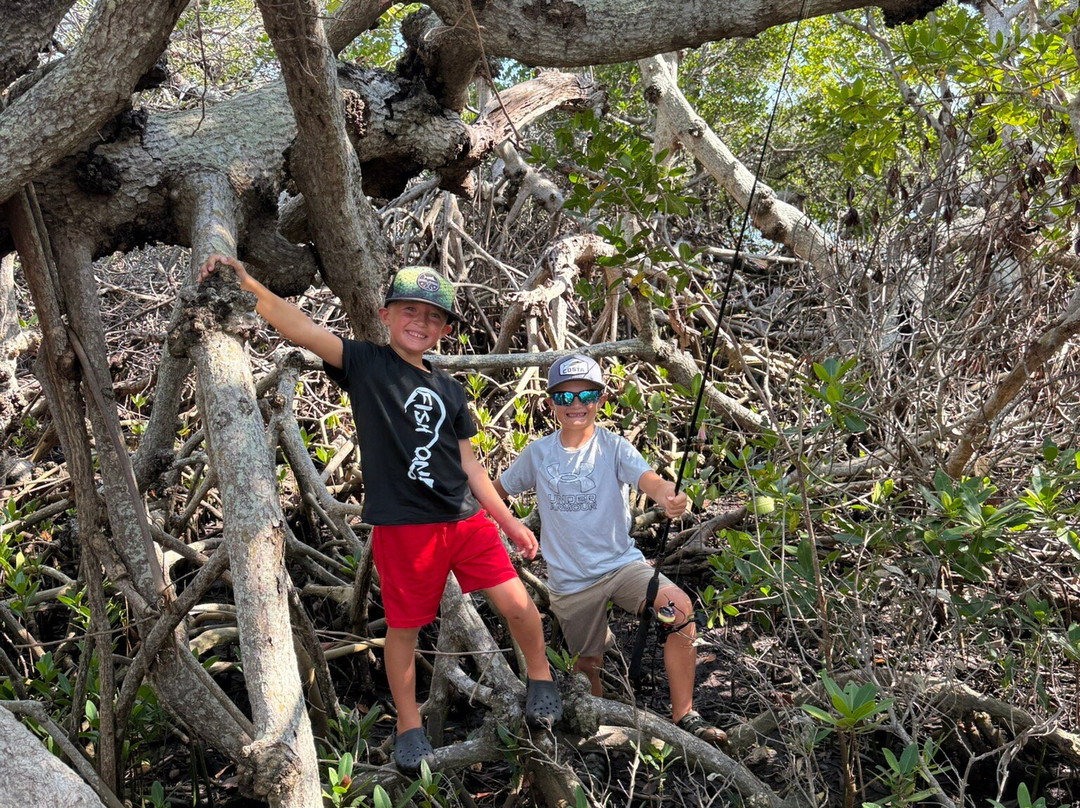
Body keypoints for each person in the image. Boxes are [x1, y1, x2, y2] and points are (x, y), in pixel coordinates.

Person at [197, 256, 562, 772]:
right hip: (404, 531)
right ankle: (410, 724)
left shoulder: (450, 389)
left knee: (520, 606)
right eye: (409, 310)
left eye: (433, 317)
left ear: (445, 330)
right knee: (405, 631)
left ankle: (541, 676)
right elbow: (302, 329)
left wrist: (512, 524)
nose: (421, 322)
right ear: (385, 314)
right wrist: (247, 283)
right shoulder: (366, 365)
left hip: (463, 521)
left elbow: (473, 469)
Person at [494, 353, 725, 744]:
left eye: (586, 395)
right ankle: (600, 735)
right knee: (587, 667)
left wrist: (668, 494)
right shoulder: (537, 453)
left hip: (622, 567)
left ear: (600, 399)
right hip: (570, 584)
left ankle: (684, 714)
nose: (576, 405)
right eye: (564, 398)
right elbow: (495, 492)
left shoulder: (614, 446)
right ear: (550, 403)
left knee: (679, 609)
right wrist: (505, 526)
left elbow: (648, 479)